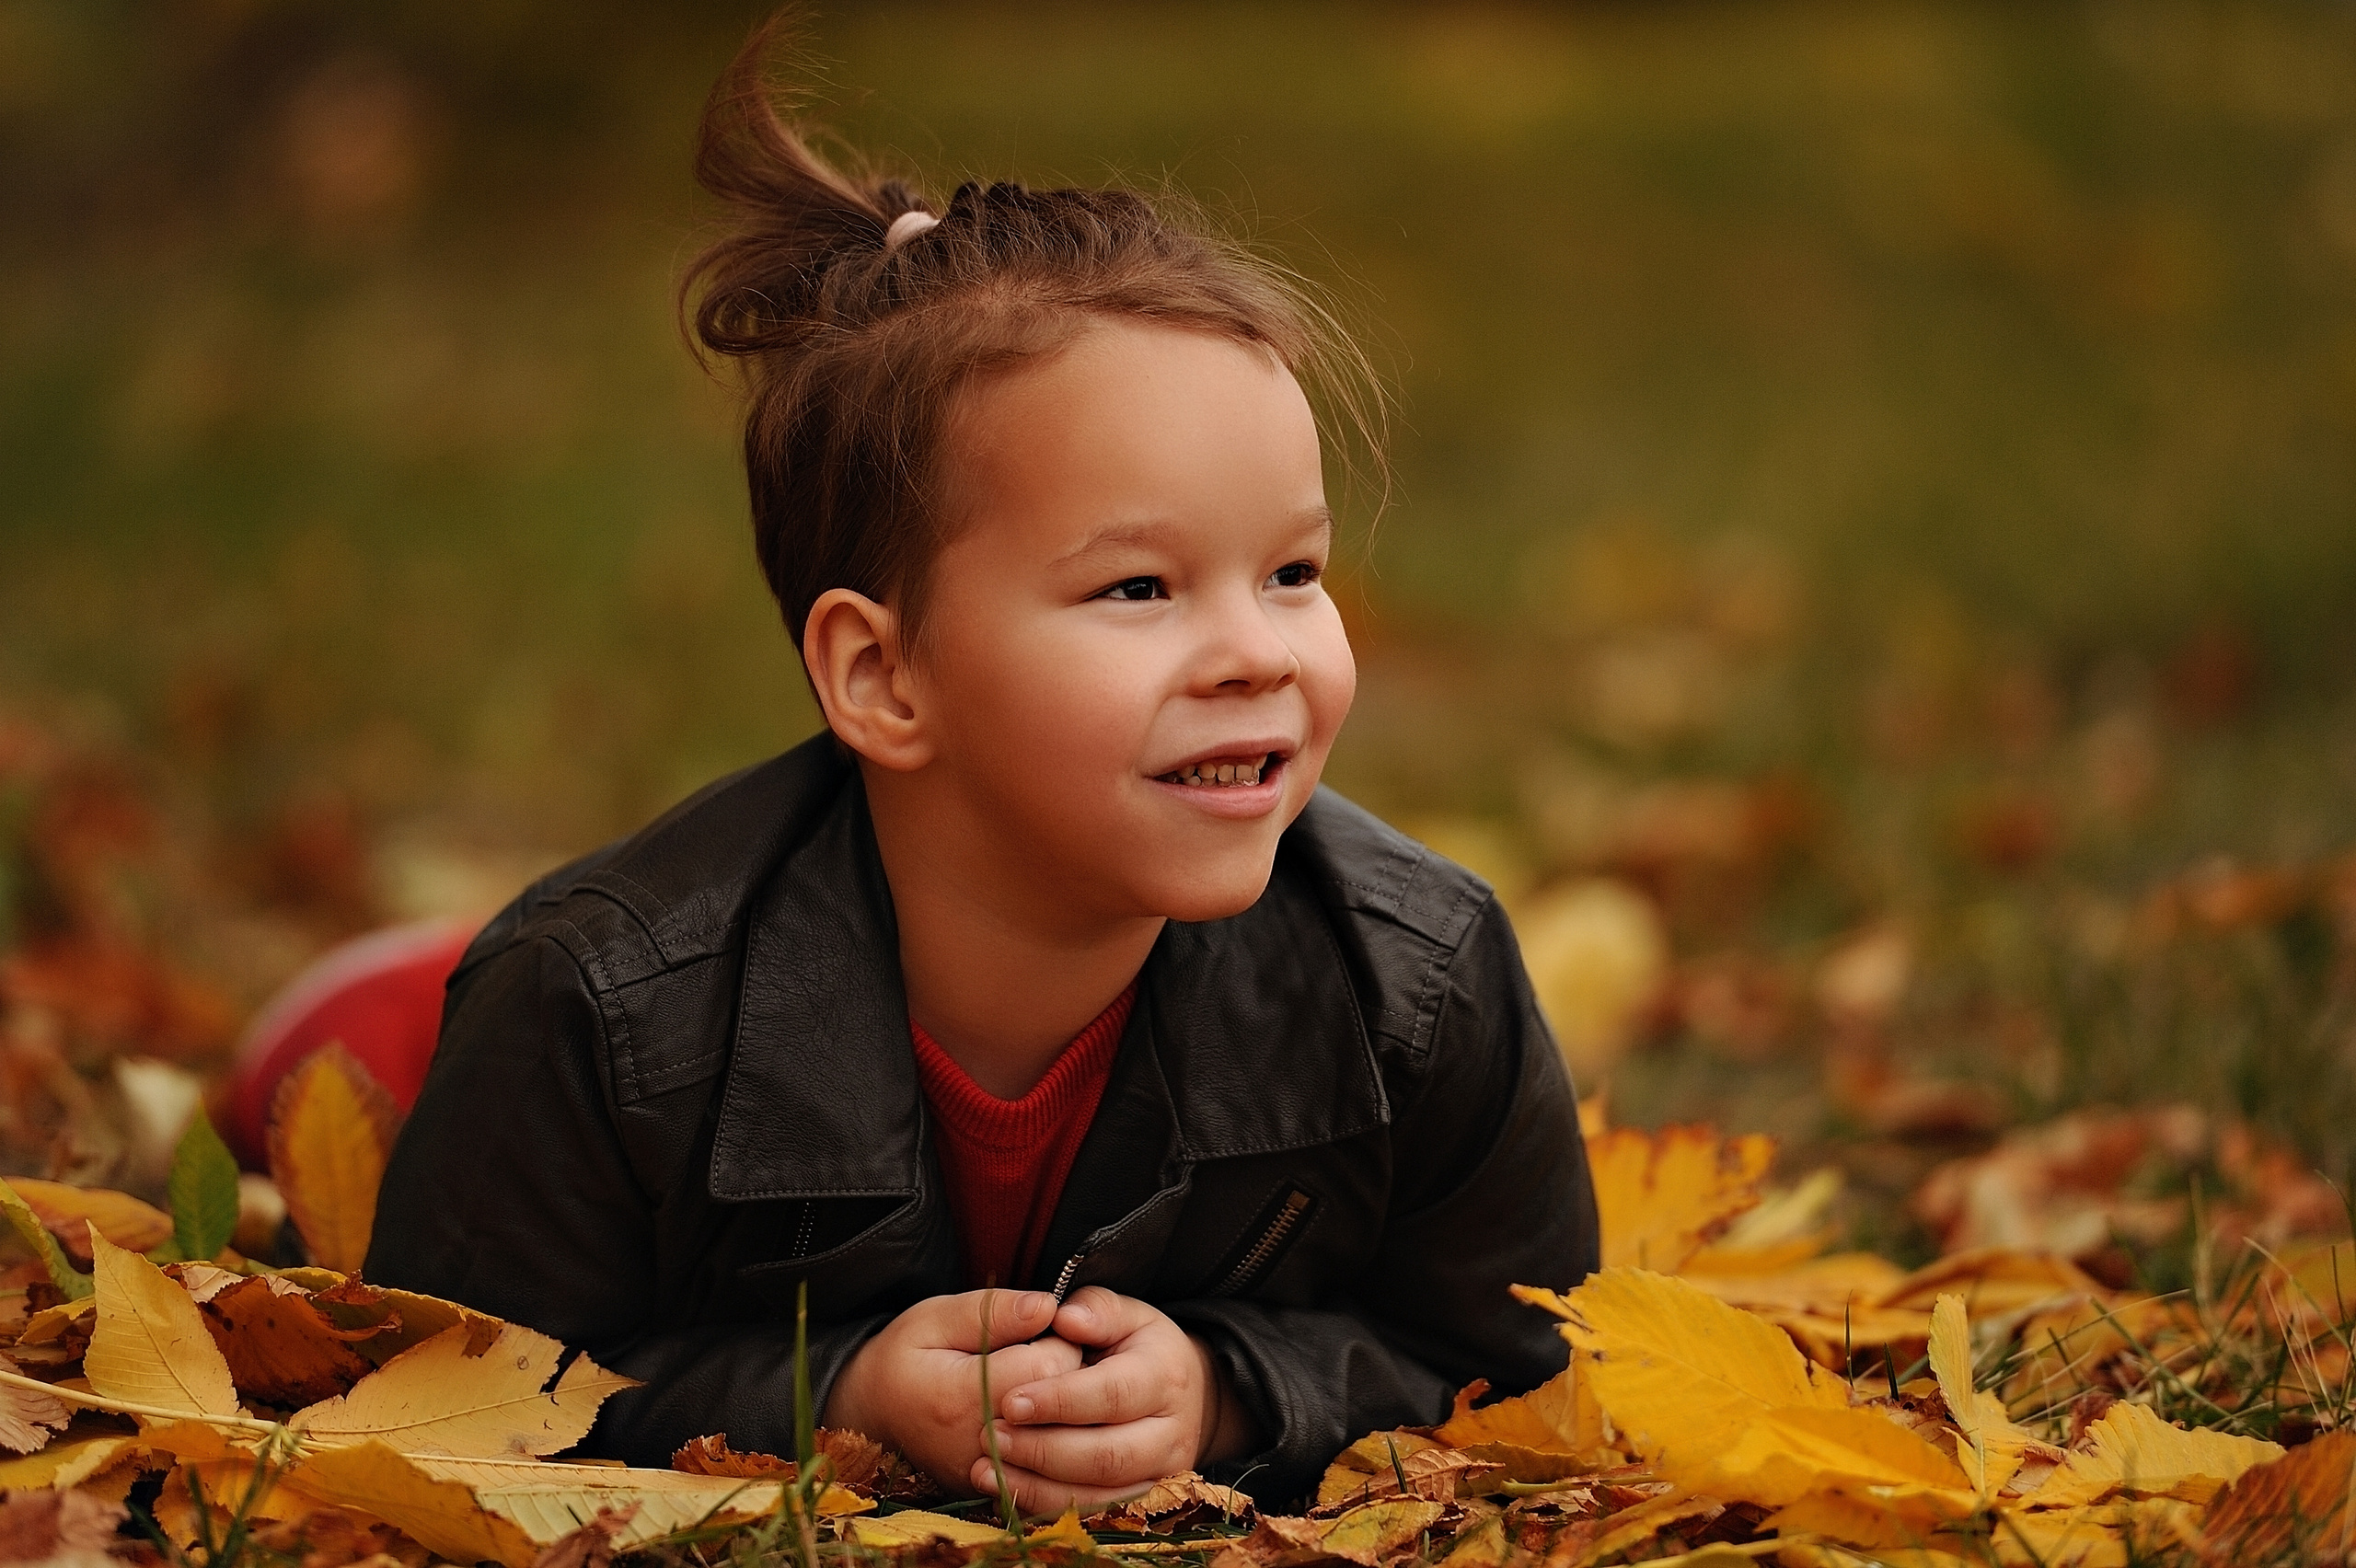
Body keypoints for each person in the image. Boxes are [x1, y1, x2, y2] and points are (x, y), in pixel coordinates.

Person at [366, 11, 1598, 1513]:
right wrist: (836, 1396)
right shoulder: (603, 1016)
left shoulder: (1419, 979)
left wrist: (1231, 1391)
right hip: (477, 1047)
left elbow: (1536, 1370)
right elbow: (455, 1401)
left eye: (1291, 571)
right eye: (1138, 589)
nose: (1257, 652)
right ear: (884, 676)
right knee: (351, 1062)